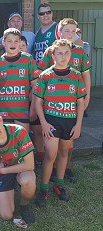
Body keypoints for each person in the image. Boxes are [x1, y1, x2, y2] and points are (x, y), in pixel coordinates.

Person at [33, 39, 86, 207]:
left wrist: (78, 125)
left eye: (66, 53)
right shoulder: (46, 75)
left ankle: (59, 185)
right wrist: (43, 123)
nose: (63, 57)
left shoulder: (76, 76)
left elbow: (80, 102)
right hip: (51, 121)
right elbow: (38, 102)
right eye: (59, 53)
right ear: (53, 55)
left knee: (64, 153)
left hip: (69, 122)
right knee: (50, 155)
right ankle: (44, 188)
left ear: (71, 54)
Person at [38, 18, 91, 182]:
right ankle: (51, 172)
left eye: (73, 31)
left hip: (74, 100)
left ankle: (65, 170)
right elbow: (41, 75)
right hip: (53, 105)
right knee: (53, 147)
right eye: (67, 31)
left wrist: (86, 97)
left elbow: (86, 76)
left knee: (68, 141)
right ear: (59, 32)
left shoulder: (81, 52)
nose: (70, 34)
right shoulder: (50, 51)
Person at [0, 109, 36, 225]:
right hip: (4, 170)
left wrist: (4, 170)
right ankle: (10, 189)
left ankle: (24, 205)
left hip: (21, 168)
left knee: (28, 180)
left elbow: (30, 165)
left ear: (1, 119)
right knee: (6, 215)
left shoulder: (19, 131)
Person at [0, 28, 40, 132]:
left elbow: (36, 86)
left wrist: (33, 109)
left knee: (21, 145)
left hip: (22, 112)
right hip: (3, 112)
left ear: (20, 42)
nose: (13, 44)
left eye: (16, 41)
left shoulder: (28, 59)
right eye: (9, 41)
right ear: (3, 42)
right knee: (7, 145)